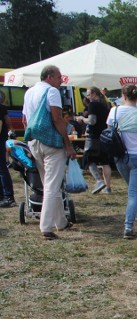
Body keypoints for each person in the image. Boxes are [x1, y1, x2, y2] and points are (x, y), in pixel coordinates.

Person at [22, 65, 77, 239]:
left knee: (50, 182)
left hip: (34, 142)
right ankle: (46, 226)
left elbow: (25, 120)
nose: (61, 80)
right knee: (52, 185)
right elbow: (57, 119)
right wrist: (67, 144)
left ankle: (60, 222)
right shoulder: (52, 92)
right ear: (50, 77)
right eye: (59, 77)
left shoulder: (29, 92)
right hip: (51, 144)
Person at [107, 84, 137, 240]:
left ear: (124, 96)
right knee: (133, 192)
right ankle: (128, 226)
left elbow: (109, 133)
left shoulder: (113, 111)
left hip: (121, 157)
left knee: (132, 190)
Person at [76, 87, 114, 195]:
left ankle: (99, 180)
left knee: (88, 160)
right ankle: (108, 187)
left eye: (88, 95)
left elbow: (92, 121)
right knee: (105, 162)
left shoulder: (92, 105)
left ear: (94, 94)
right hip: (104, 136)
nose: (87, 97)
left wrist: (82, 119)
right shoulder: (106, 105)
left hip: (94, 136)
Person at [0, 91, 14, 207]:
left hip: (0, 140)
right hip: (2, 139)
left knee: (2, 168)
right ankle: (4, 196)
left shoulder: (1, 108)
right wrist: (11, 130)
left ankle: (8, 197)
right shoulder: (3, 108)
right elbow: (7, 121)